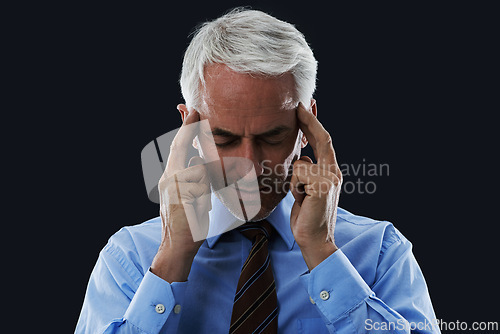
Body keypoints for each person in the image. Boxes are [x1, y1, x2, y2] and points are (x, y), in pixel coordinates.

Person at [76, 8, 440, 333]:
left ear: (307, 126)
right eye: (225, 138)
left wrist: (322, 252)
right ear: (188, 130)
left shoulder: (379, 254)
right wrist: (172, 259)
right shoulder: (130, 258)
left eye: (272, 135)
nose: (249, 165)